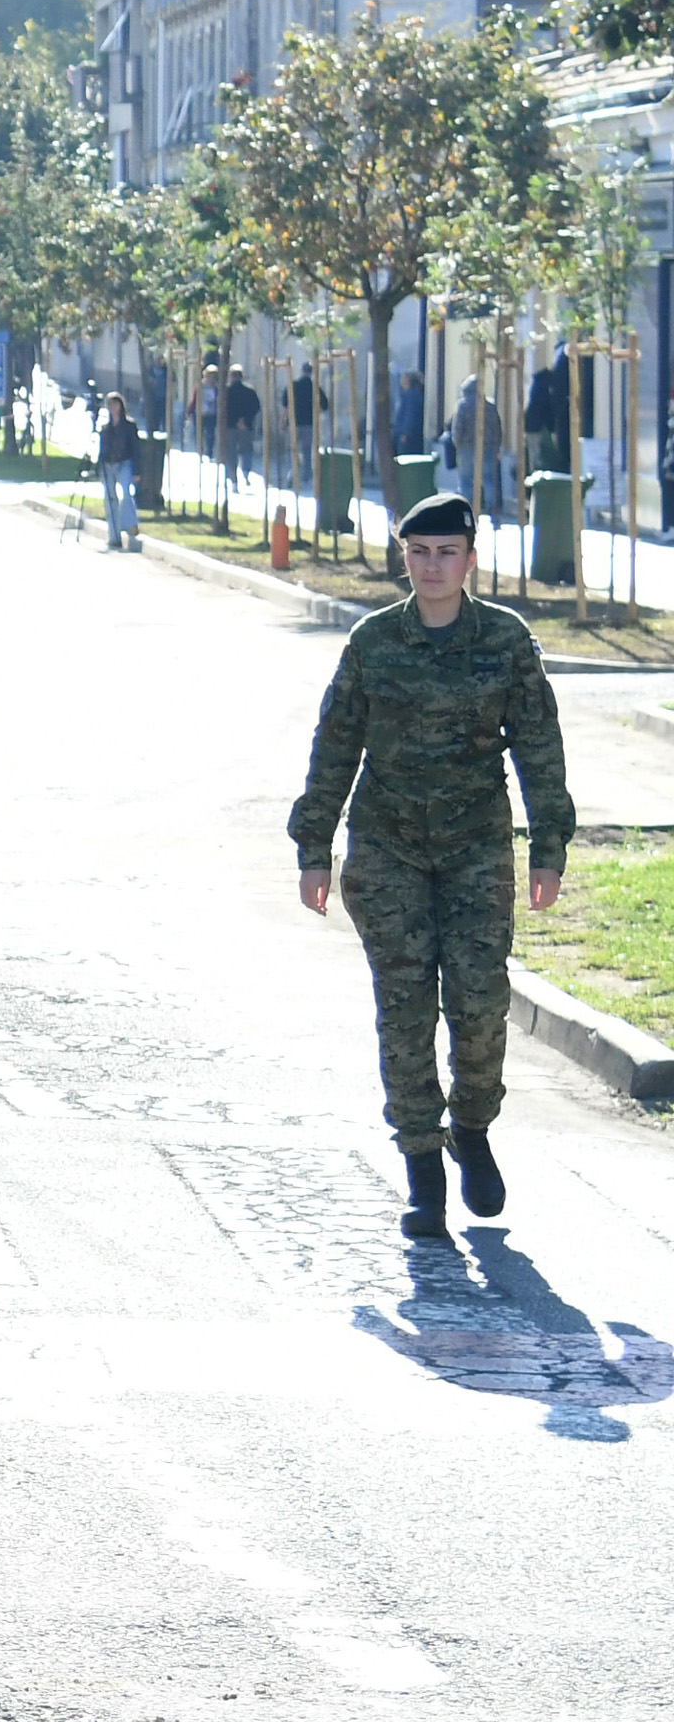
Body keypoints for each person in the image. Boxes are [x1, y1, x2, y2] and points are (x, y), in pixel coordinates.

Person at [290, 494, 572, 1239]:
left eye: (447, 552)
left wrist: (548, 846)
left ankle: (472, 1126)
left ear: (471, 559)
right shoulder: (372, 641)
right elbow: (335, 745)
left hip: (476, 846)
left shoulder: (506, 641)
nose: (433, 565)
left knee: (479, 1001)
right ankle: (422, 1167)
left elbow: (539, 747)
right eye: (419, 552)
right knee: (405, 1008)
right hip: (387, 850)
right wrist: (313, 846)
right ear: (404, 556)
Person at [95, 391, 143, 549]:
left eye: (115, 404)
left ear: (121, 406)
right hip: (108, 465)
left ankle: (131, 528)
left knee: (126, 494)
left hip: (124, 463)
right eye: (109, 404)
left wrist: (137, 471)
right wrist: (98, 468)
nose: (113, 407)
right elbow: (101, 450)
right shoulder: (106, 428)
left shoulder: (130, 426)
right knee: (110, 500)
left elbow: (136, 449)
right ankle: (114, 537)